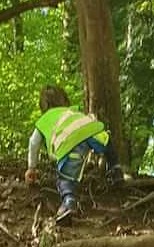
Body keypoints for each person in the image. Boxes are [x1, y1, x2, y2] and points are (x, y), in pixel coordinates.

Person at [24, 84, 122, 223]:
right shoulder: (73, 112)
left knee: (65, 178)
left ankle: (69, 202)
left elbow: (33, 143)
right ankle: (116, 169)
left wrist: (31, 168)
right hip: (91, 131)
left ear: (43, 106)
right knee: (106, 140)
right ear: (64, 99)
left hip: (69, 144)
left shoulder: (44, 120)